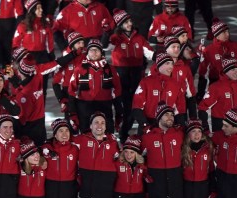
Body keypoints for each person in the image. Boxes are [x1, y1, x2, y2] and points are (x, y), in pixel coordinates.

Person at [109, 9, 154, 140]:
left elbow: (149, 52)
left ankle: (136, 132)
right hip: (121, 75)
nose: (129, 24)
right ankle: (124, 132)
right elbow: (104, 46)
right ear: (119, 25)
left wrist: (161, 58)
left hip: (136, 74)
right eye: (125, 22)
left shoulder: (139, 38)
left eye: (129, 21)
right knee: (127, 107)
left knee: (138, 104)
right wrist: (107, 32)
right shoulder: (115, 38)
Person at [68, 39, 122, 133]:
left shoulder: (110, 69)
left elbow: (117, 90)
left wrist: (119, 113)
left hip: (105, 106)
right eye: (91, 50)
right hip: (85, 106)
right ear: (87, 52)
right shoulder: (79, 69)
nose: (94, 52)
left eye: (97, 50)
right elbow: (71, 91)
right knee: (86, 134)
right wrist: (73, 113)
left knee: (108, 133)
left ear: (101, 52)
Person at [197, 18, 237, 100]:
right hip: (216, 85)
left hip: (234, 84)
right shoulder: (208, 50)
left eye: (227, 31)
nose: (227, 34)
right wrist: (200, 94)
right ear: (217, 35)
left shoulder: (236, 46)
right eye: (224, 32)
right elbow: (203, 74)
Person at [132, 52, 186, 133]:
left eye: (172, 64)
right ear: (159, 65)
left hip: (168, 126)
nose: (171, 66)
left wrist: (180, 126)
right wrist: (145, 125)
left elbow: (180, 109)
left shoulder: (176, 85)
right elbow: (137, 106)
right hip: (148, 124)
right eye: (167, 63)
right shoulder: (146, 82)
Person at [198, 57, 237, 132]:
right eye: (233, 70)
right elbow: (202, 107)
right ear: (225, 71)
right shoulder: (216, 87)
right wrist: (205, 126)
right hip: (221, 130)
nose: (236, 72)